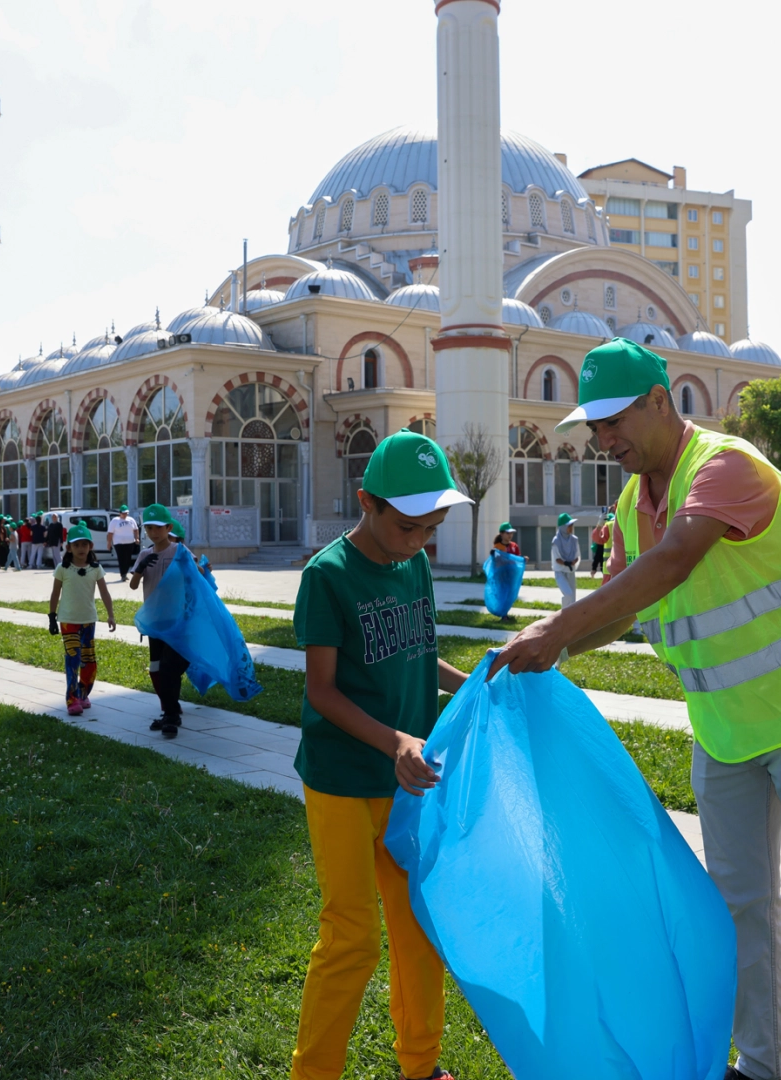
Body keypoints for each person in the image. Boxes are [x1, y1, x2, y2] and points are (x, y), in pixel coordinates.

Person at [490, 338, 781, 1080]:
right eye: (595, 428)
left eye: (615, 421)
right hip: (724, 733)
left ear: (658, 400)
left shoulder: (725, 467)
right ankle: (761, 1064)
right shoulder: (630, 501)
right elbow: (624, 605)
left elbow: (672, 562)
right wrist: (554, 646)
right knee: (739, 910)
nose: (604, 440)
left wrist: (558, 625)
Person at [288, 430, 471, 1080]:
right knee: (353, 938)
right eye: (408, 526)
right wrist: (394, 741)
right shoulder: (327, 577)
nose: (420, 540)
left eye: (433, 527)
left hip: (409, 784)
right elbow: (321, 692)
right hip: (343, 781)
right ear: (367, 502)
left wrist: (475, 681)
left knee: (419, 929)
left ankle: (420, 1067)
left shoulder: (413, 563)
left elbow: (419, 650)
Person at [130, 505, 193, 737]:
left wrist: (200, 569)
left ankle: (171, 716)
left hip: (176, 621)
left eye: (158, 528)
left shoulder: (180, 551)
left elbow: (196, 575)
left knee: (169, 667)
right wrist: (140, 569)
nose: (153, 532)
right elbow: (134, 585)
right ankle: (169, 710)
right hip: (155, 622)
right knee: (157, 669)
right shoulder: (145, 554)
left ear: (168, 528)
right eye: (148, 528)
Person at [47, 524, 118, 716]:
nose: (81, 548)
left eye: (84, 544)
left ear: (90, 546)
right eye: (76, 544)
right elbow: (55, 593)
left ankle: (83, 693)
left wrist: (110, 615)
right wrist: (52, 617)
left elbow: (105, 593)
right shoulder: (63, 568)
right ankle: (72, 699)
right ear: (69, 547)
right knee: (73, 659)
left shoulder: (96, 569)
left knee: (89, 660)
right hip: (68, 621)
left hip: (88, 620)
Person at [550, 512, 582, 608]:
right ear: (563, 527)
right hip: (560, 572)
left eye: (572, 525)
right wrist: (566, 563)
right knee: (568, 594)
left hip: (570, 571)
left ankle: (571, 619)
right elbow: (557, 559)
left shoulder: (574, 539)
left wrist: (573, 562)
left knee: (572, 598)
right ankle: (564, 617)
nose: (571, 528)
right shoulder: (556, 541)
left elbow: (577, 555)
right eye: (569, 526)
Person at [107, 504, 140, 581]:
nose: (125, 514)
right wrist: (109, 543)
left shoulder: (131, 520)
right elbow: (110, 533)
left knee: (128, 559)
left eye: (126, 513)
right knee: (121, 558)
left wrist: (137, 538)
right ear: (120, 513)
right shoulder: (115, 521)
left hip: (130, 542)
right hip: (119, 543)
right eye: (123, 513)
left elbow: (136, 530)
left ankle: (125, 572)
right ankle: (123, 574)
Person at [589, 511, 611, 577]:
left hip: (607, 568)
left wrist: (594, 568)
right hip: (606, 568)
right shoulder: (603, 537)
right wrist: (594, 568)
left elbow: (597, 555)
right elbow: (598, 554)